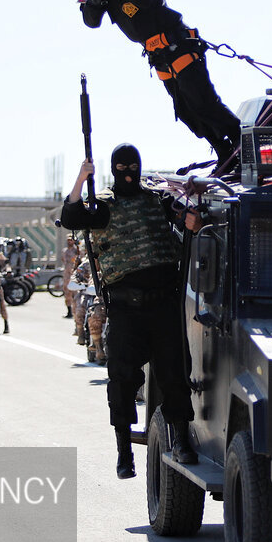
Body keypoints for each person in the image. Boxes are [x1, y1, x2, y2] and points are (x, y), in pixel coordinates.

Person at [60, 144, 200, 478]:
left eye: (133, 166)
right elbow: (70, 218)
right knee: (121, 381)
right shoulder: (103, 206)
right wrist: (82, 178)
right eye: (121, 167)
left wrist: (190, 220)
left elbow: (185, 215)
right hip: (126, 309)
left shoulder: (156, 199)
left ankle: (181, 439)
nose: (128, 172)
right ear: (112, 169)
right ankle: (124, 452)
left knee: (175, 375)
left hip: (164, 304)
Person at [79, 0, 242, 161]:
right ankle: (224, 152)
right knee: (187, 112)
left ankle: (244, 147)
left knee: (204, 103)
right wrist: (94, 0)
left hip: (178, 44)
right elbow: (90, 21)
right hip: (159, 56)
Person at [61, 234, 81, 318]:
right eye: (68, 240)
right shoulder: (64, 251)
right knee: (67, 292)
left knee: (76, 293)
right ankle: (69, 311)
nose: (69, 241)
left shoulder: (76, 251)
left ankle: (77, 311)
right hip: (67, 274)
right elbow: (63, 260)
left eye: (71, 240)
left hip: (74, 274)